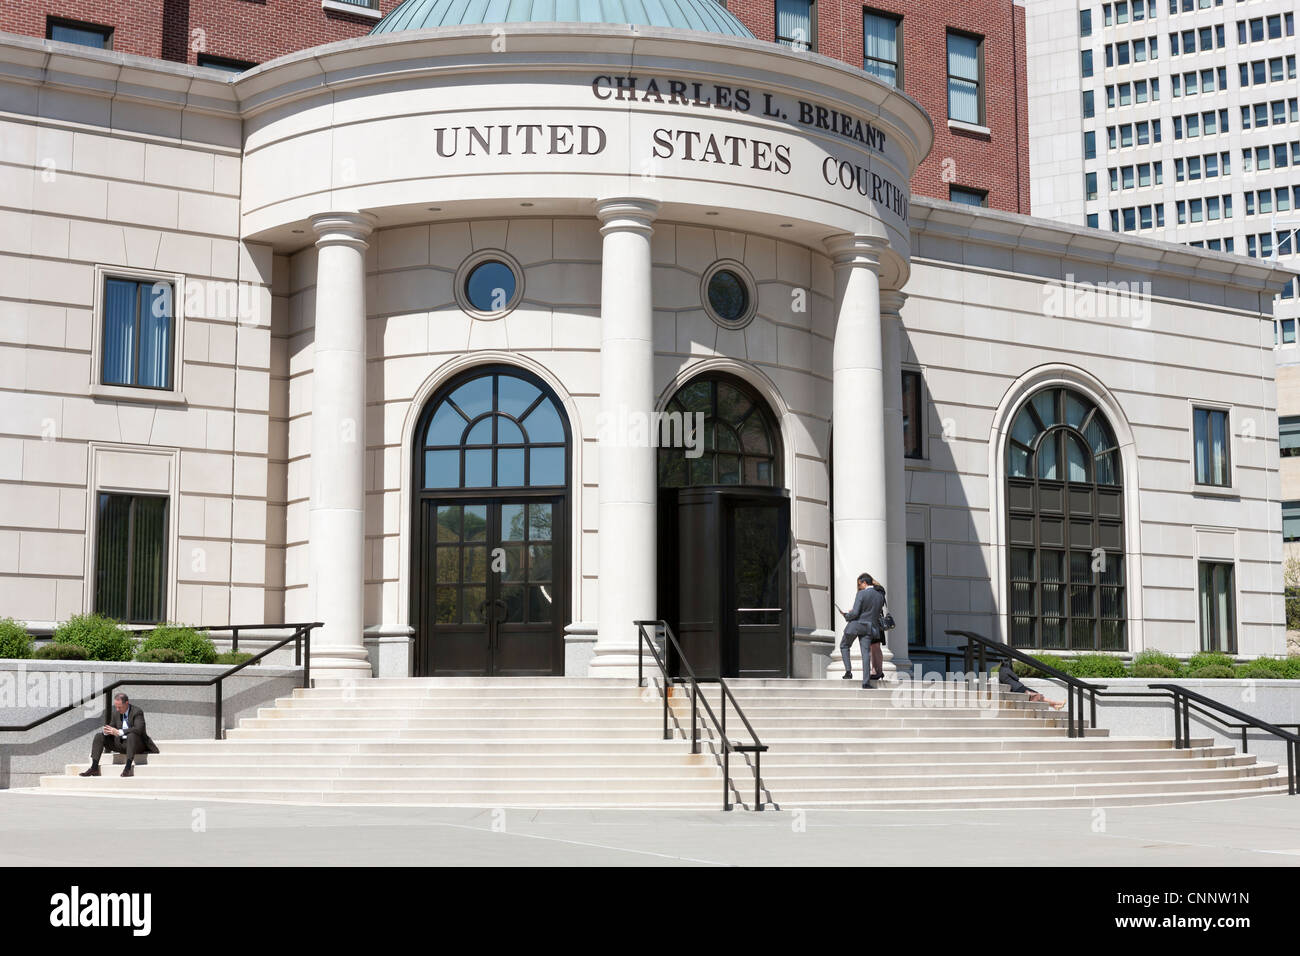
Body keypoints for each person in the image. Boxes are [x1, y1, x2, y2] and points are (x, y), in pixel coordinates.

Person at [79, 692, 159, 778]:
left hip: (136, 745)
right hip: (121, 744)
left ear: (126, 703)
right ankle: (94, 767)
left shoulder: (137, 712)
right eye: (116, 706)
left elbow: (139, 729)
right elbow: (112, 726)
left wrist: (120, 732)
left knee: (131, 735)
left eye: (119, 707)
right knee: (99, 736)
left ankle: (127, 768)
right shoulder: (116, 713)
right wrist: (107, 731)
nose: (117, 709)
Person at [839, 572, 886, 687]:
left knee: (844, 646)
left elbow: (855, 613)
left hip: (856, 625)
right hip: (869, 627)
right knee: (866, 654)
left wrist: (846, 615)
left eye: (860, 584)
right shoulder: (880, 596)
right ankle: (866, 682)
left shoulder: (861, 594)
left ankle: (848, 671)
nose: (859, 587)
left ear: (864, 583)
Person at [997, 661, 1065, 710]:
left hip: (1014, 690)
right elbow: (1016, 678)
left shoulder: (1000, 673)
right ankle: (1057, 703)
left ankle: (1055, 706)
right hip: (1019, 687)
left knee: (1037, 696)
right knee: (1037, 695)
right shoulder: (1006, 669)